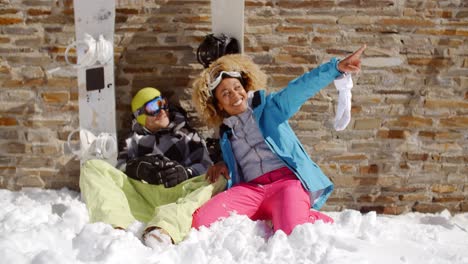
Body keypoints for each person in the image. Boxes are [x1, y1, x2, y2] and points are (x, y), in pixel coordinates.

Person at [191, 45, 366, 235]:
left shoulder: (270, 107)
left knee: (293, 231)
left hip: (287, 184)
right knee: (202, 222)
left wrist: (336, 68)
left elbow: (300, 88)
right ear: (218, 105)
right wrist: (221, 163)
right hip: (252, 190)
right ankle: (282, 215)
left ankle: (310, 218)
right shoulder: (226, 133)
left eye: (237, 87)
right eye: (225, 93)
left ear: (245, 87)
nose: (235, 95)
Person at [79, 87, 226, 248]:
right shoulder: (132, 140)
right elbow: (118, 170)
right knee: (93, 166)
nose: (162, 110)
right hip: (142, 197)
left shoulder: (187, 135)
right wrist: (135, 168)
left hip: (176, 196)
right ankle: (114, 227)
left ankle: (164, 229)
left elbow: (206, 165)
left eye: (162, 103)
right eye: (153, 107)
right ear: (140, 115)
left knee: (219, 176)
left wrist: (186, 172)